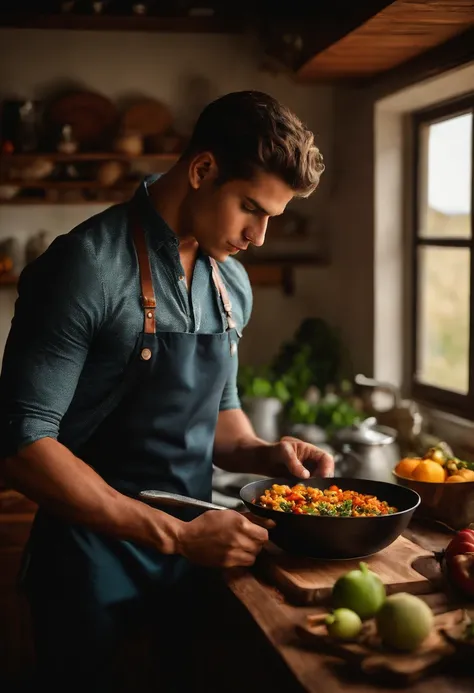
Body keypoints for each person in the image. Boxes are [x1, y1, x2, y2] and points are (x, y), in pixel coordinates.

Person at [0, 91, 332, 691]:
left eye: (271, 220)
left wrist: (263, 454)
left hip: (196, 562)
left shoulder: (231, 281)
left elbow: (222, 414)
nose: (258, 238)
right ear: (203, 170)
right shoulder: (85, 267)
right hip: (89, 562)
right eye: (250, 210)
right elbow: (21, 443)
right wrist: (175, 533)